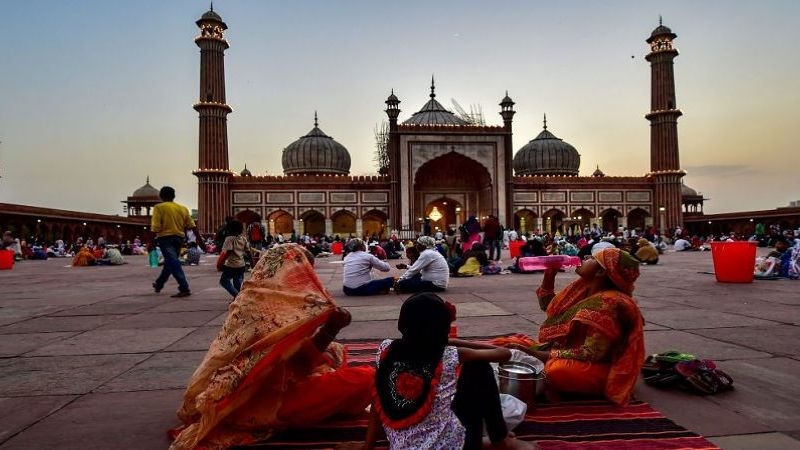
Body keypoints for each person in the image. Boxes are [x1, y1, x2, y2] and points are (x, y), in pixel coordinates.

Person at [169, 244, 374, 450]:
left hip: (239, 397)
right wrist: (331, 329)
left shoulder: (252, 298)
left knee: (333, 352)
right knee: (368, 378)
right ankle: (332, 405)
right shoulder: (275, 312)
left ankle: (333, 401)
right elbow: (296, 365)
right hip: (266, 402)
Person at [373, 292, 535, 450]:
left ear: (402, 324)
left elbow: (376, 400)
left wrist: (367, 446)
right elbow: (504, 354)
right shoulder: (449, 355)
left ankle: (486, 440)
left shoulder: (385, 349)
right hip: (448, 445)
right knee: (479, 368)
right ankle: (500, 439)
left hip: (403, 446)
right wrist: (453, 342)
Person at [493, 247, 644, 405]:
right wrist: (549, 275)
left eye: (592, 258)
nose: (584, 258)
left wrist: (539, 355)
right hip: (566, 350)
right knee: (514, 344)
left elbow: (592, 353)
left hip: (601, 366)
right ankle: (465, 350)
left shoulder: (609, 302)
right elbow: (550, 307)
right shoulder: (584, 288)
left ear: (599, 273)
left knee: (556, 371)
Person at [151, 186, 198, 298]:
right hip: (178, 239)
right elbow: (192, 226)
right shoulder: (182, 208)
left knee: (173, 262)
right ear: (174, 196)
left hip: (165, 239)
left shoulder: (159, 207)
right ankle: (159, 284)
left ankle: (184, 287)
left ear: (161, 196)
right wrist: (201, 241)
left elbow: (155, 227)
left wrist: (150, 242)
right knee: (170, 263)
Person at [217, 220, 248, 299]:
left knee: (224, 281)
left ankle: (237, 296)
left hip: (231, 265)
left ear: (229, 229)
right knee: (237, 282)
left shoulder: (229, 239)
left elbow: (227, 252)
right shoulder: (243, 238)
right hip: (241, 265)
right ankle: (237, 299)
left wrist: (220, 263)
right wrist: (252, 262)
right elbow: (248, 251)